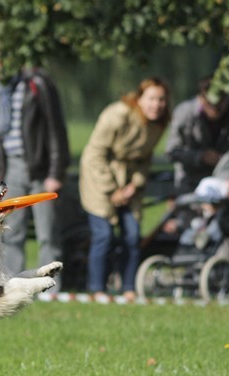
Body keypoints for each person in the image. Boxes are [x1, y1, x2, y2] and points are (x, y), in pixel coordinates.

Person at [79, 77, 172, 300]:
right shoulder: (117, 115)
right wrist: (112, 190)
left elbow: (145, 158)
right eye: (151, 98)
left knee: (132, 234)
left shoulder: (158, 123)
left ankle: (128, 287)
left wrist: (134, 185)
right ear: (139, 98)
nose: (156, 104)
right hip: (99, 178)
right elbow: (95, 154)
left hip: (130, 183)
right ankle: (97, 289)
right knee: (104, 234)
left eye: (161, 99)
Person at [0, 65, 70, 289]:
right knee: (12, 231)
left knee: (47, 232)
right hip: (11, 167)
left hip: (40, 168)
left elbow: (56, 128)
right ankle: (15, 285)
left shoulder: (37, 83)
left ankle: (51, 287)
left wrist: (56, 171)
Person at [165, 77, 229, 195]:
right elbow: (172, 151)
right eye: (210, 103)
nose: (215, 108)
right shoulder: (184, 113)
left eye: (220, 102)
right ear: (200, 98)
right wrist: (200, 156)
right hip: (191, 182)